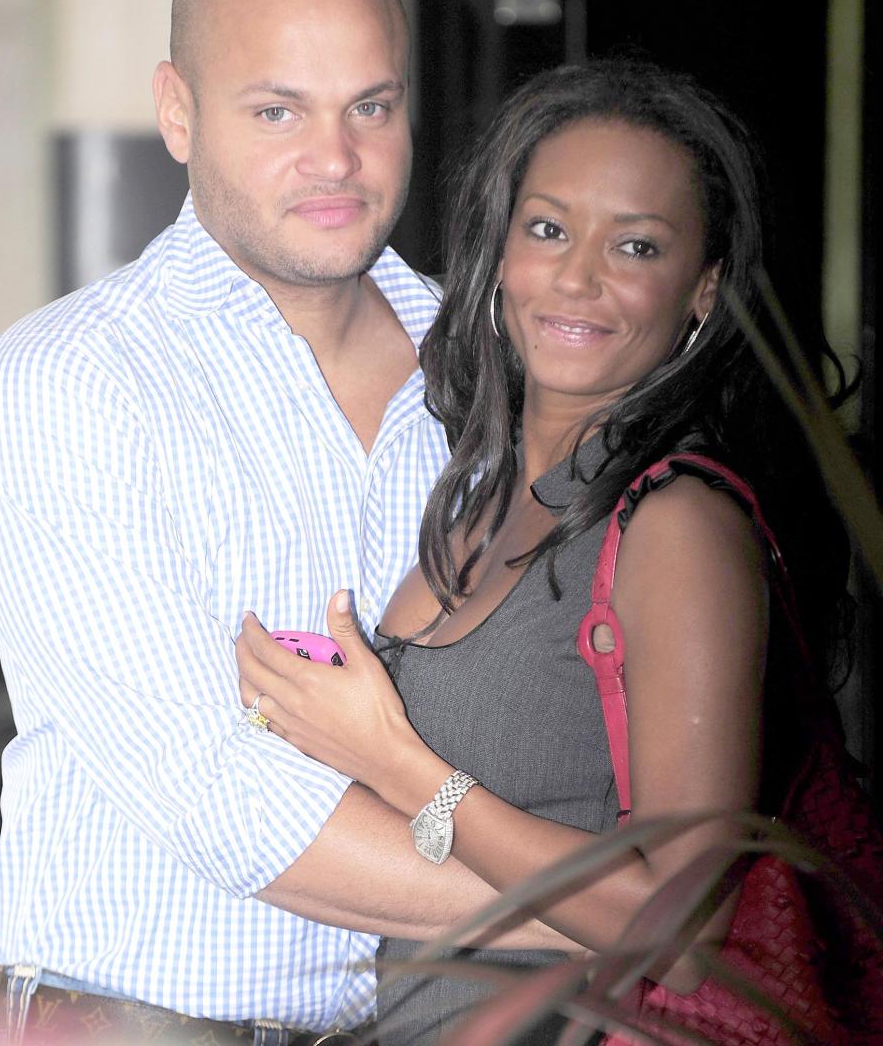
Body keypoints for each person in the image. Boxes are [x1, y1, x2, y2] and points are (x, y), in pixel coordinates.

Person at [0, 0, 566, 1046]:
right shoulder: (75, 383)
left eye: (370, 108)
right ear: (177, 111)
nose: (335, 161)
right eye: (277, 110)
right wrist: (612, 911)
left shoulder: (495, 375)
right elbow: (220, 800)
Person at [237, 59, 851, 1043]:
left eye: (636, 245)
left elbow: (679, 925)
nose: (577, 277)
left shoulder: (678, 524)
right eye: (550, 229)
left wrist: (395, 760)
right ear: (500, 251)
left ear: (703, 287)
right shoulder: (479, 501)